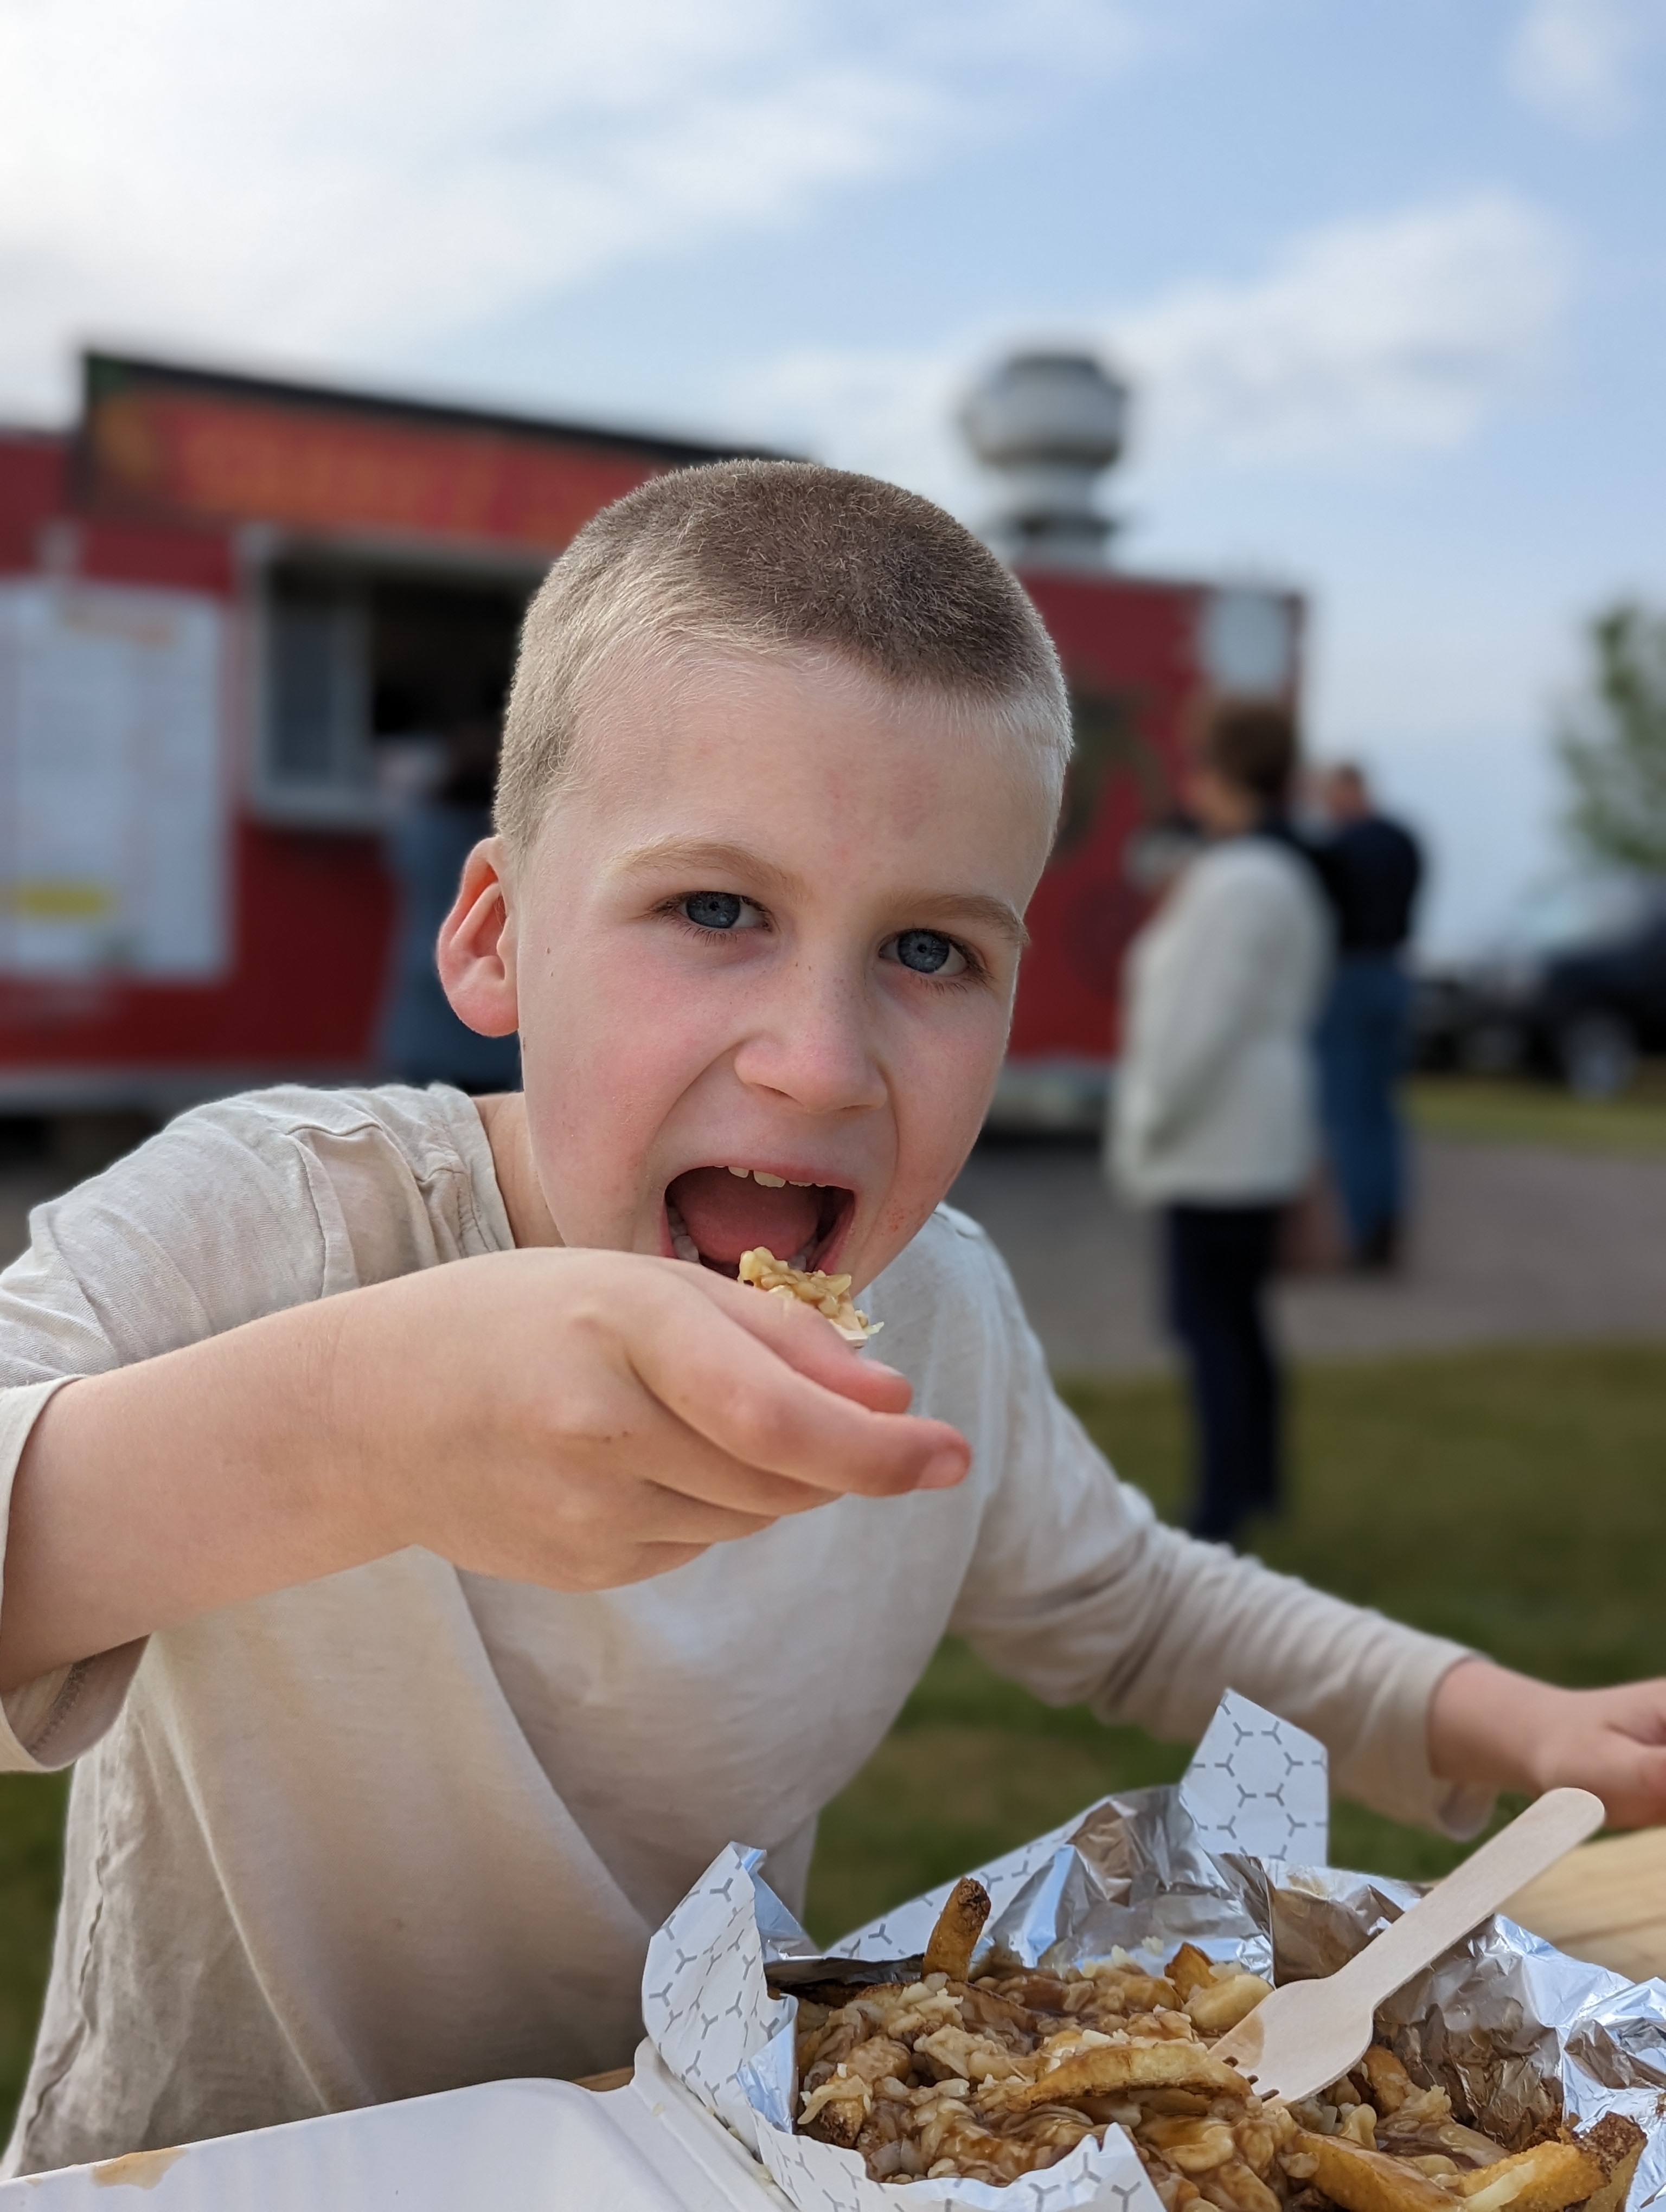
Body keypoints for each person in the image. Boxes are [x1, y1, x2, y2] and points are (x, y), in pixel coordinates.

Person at [1, 467, 1664, 2177]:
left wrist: (1494, 1715)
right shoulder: (276, 1219)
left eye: (930, 950)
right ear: (499, 939)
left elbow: (1132, 1605)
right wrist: (360, 1432)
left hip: (698, 2161)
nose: (820, 1059)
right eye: (715, 910)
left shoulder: (930, 1305)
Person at [1111, 702, 1328, 1544]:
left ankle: (1221, 1512)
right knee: (1238, 1319)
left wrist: (1154, 1117)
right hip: (1251, 1127)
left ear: (1224, 775)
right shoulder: (1276, 869)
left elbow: (1199, 1021)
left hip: (1218, 1134)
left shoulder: (1240, 881)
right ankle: (1254, 1485)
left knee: (1212, 1327)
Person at [1311, 763, 1424, 1268]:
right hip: (1395, 973)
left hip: (1350, 976)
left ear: (1347, 790)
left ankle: (1359, 1232)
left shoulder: (1338, 849)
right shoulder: (1404, 840)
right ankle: (1388, 1221)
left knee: (1348, 1110)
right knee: (1382, 1110)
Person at [379, 712, 522, 1092]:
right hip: (490, 989)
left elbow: (400, 862)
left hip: (424, 990)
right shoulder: (508, 844)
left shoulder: (422, 828)